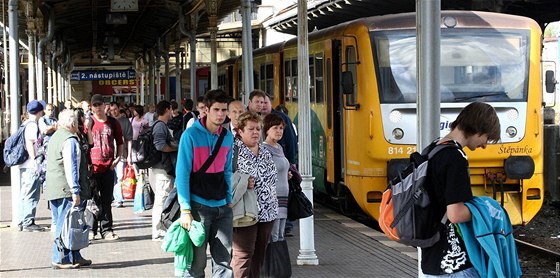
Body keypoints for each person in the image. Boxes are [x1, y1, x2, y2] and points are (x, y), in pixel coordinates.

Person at [421, 101, 501, 277]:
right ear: (479, 129)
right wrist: (491, 209)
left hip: (432, 260)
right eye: (486, 137)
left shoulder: (434, 148)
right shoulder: (455, 157)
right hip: (455, 263)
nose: (485, 145)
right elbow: (456, 214)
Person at [176, 89, 234, 277]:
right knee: (197, 264)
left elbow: (226, 170)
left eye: (224, 110)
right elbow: (182, 174)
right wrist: (185, 209)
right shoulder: (190, 136)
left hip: (223, 207)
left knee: (224, 264)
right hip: (197, 207)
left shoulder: (227, 137)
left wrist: (229, 199)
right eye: (216, 109)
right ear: (206, 110)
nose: (221, 114)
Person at [232, 111, 278, 278]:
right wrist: (243, 181)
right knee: (243, 256)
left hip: (267, 211)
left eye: (258, 129)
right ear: (240, 131)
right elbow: (224, 178)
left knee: (259, 256)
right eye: (251, 129)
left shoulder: (265, 151)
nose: (256, 132)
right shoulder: (233, 152)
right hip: (245, 211)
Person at [44, 109, 92, 269]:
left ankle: (74, 256)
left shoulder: (55, 137)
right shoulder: (69, 140)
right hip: (65, 189)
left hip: (54, 187)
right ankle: (59, 258)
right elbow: (71, 167)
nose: (78, 126)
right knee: (64, 224)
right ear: (72, 124)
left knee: (70, 224)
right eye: (77, 123)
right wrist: (75, 190)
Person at [85, 94, 123, 240]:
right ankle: (91, 229)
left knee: (107, 199)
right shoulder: (88, 123)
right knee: (91, 200)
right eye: (95, 105)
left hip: (108, 167)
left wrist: (118, 158)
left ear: (104, 105)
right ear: (91, 107)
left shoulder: (113, 123)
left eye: (100, 104)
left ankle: (106, 229)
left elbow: (120, 141)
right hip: (92, 169)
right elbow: (84, 144)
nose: (98, 108)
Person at [149, 100, 178, 241]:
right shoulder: (160, 126)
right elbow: (160, 146)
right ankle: (158, 230)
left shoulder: (158, 125)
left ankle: (159, 228)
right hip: (161, 169)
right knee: (161, 199)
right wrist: (175, 148)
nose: (172, 113)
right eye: (171, 110)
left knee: (162, 198)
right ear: (167, 109)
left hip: (159, 169)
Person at [18, 100, 47, 232]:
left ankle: (22, 220)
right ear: (40, 111)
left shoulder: (25, 124)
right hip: (31, 165)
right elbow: (30, 143)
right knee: (31, 193)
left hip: (25, 164)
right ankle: (28, 221)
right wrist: (35, 161)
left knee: (25, 192)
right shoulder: (32, 125)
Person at [262, 113, 291, 242]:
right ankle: (271, 262)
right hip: (272, 199)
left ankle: (278, 261)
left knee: (280, 235)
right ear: (267, 129)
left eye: (281, 128)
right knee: (272, 236)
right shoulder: (263, 149)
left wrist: (287, 174)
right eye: (275, 128)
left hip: (283, 198)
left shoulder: (279, 148)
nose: (279, 131)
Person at [109, 102, 133, 208]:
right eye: (111, 110)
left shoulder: (124, 121)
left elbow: (129, 139)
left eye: (115, 109)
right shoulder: (108, 121)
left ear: (119, 109)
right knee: (111, 178)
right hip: (109, 154)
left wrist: (129, 155)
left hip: (121, 154)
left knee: (119, 177)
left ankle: (118, 199)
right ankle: (114, 197)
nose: (113, 112)